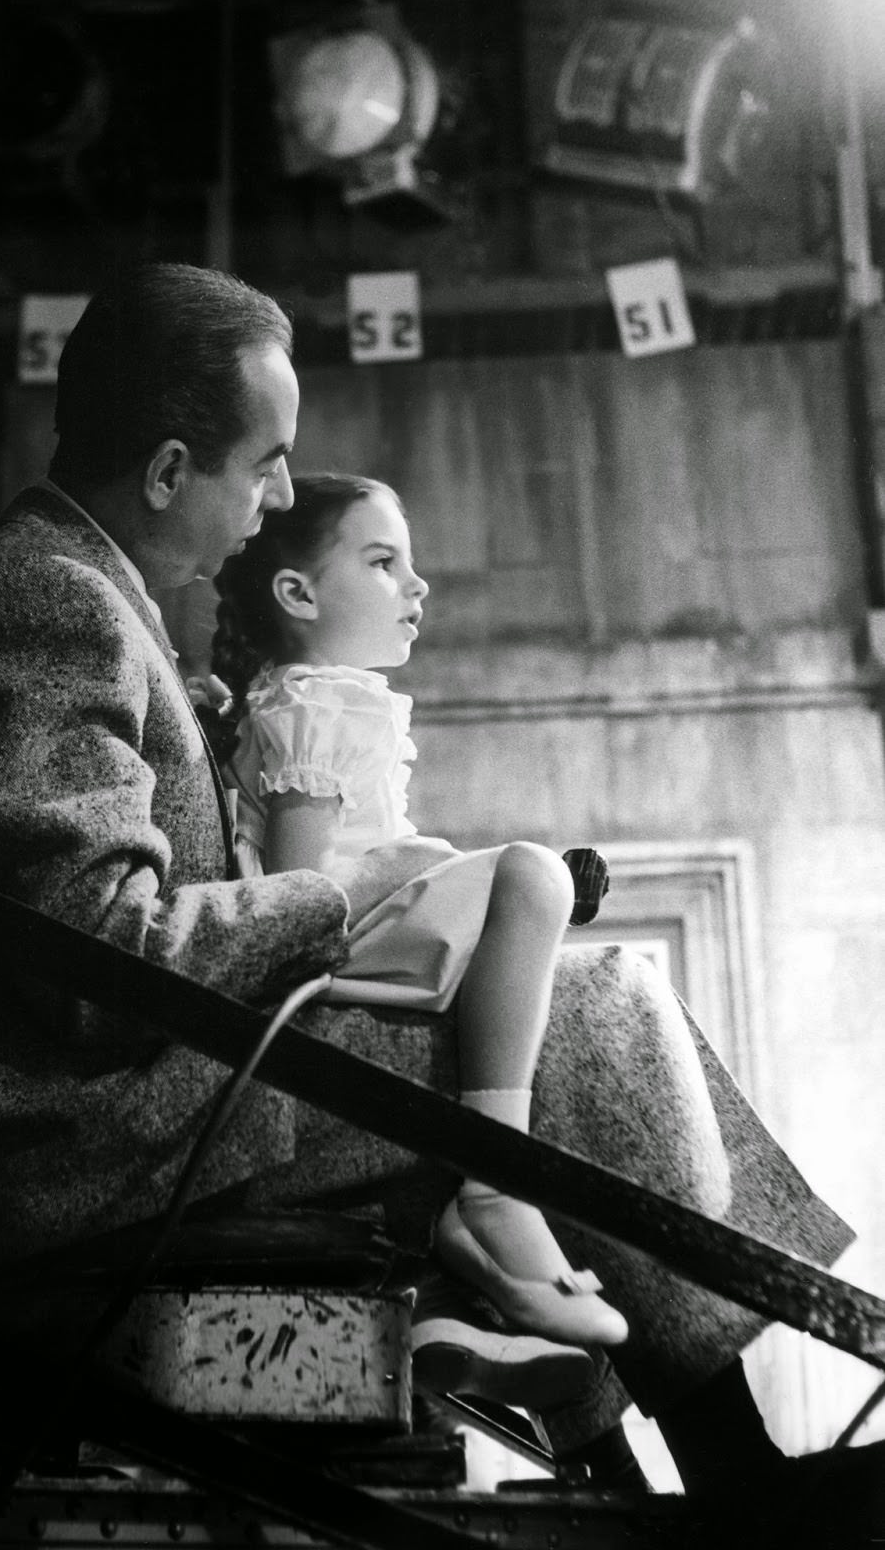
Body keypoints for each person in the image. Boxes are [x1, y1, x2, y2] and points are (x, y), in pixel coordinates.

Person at [0, 262, 882, 1528]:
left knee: (552, 1012)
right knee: (594, 1014)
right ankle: (729, 1466)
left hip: (151, 1094)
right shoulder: (46, 599)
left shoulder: (92, 596)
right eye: (268, 463)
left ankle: (610, 1430)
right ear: (170, 469)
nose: (287, 493)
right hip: (88, 1149)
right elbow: (94, 946)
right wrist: (339, 895)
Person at [206, 469, 626, 1356]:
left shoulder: (308, 696)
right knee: (534, 879)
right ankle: (495, 1187)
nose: (416, 585)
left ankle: (445, 1308)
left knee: (523, 898)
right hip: (325, 942)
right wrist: (425, 869)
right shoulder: (321, 699)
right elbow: (300, 885)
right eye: (383, 562)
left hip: (344, 929)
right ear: (298, 592)